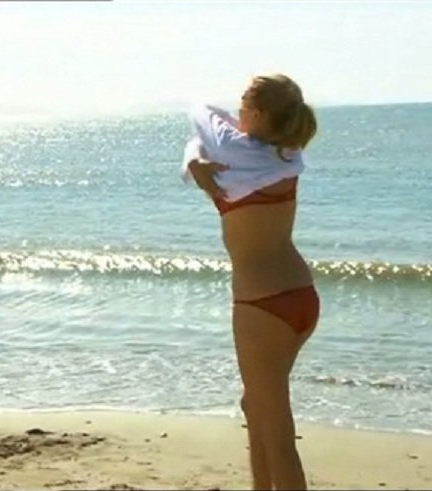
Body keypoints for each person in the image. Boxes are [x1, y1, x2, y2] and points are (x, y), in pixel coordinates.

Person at [182, 74, 320, 490]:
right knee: (255, 406)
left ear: (257, 114)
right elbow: (205, 137)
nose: (237, 111)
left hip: (262, 305)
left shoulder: (229, 165)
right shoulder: (286, 154)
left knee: (279, 438)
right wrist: (195, 157)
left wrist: (193, 160)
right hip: (301, 295)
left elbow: (200, 113)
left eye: (243, 105)